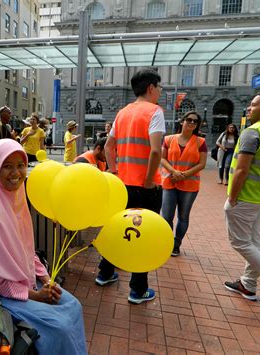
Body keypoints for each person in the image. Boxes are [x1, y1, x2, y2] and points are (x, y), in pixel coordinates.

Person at [0, 139, 87, 354]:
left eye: (20, 165)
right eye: (7, 166)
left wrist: (47, 281)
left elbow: (27, 251)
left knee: (74, 306)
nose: (16, 173)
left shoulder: (15, 198)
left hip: (23, 279)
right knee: (59, 327)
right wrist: (37, 296)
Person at [104, 69, 165, 304]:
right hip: (146, 188)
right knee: (144, 237)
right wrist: (149, 180)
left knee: (119, 229)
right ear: (151, 88)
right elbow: (156, 150)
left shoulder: (123, 113)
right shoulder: (154, 112)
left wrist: (114, 170)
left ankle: (105, 273)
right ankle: (138, 290)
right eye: (159, 87)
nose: (160, 92)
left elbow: (109, 146)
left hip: (124, 185)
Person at [224, 92, 260, 307]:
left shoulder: (252, 132)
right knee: (253, 242)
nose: (248, 107)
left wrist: (232, 198)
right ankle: (248, 284)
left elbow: (241, 169)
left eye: (253, 104)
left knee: (239, 242)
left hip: (245, 197)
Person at [160, 111, 207, 257]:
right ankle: (166, 242)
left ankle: (176, 244)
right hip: (170, 181)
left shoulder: (201, 142)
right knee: (167, 216)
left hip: (189, 185)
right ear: (182, 122)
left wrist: (184, 175)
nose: (192, 123)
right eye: (189, 120)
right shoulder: (168, 139)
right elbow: (162, 159)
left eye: (195, 121)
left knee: (183, 216)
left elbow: (202, 164)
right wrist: (174, 171)